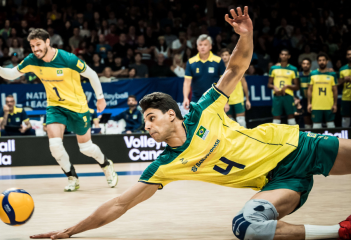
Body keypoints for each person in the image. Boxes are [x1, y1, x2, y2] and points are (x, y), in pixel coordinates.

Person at [31, 8, 351, 240]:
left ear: (172, 114)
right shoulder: (166, 164)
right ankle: (340, 232)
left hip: (298, 147)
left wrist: (246, 35)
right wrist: (71, 230)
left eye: (151, 118)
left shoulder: (203, 110)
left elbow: (235, 69)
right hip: (277, 183)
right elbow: (119, 203)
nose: (147, 126)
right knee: (247, 227)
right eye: (145, 122)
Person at [0, 28, 118, 192]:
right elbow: (13, 74)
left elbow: (92, 74)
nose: (35, 49)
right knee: (55, 145)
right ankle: (72, 177)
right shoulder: (32, 60)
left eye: (38, 45)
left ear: (47, 42)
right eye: (32, 46)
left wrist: (100, 98)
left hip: (77, 107)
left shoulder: (67, 58)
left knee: (86, 148)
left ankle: (106, 165)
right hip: (55, 106)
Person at [183, 34, 226, 109]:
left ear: (210, 46)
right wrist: (185, 98)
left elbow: (224, 82)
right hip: (196, 99)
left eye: (205, 45)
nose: (202, 47)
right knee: (198, 121)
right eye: (200, 44)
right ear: (197, 47)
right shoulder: (191, 62)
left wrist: (225, 100)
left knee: (214, 121)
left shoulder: (218, 61)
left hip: (214, 99)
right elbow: (187, 82)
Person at [267, 49, 299, 125]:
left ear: (289, 56)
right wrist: (274, 87)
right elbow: (268, 84)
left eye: (286, 54)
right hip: (277, 96)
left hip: (288, 96)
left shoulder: (293, 69)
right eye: (282, 54)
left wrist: (287, 86)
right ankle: (276, 136)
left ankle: (293, 135)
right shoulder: (273, 68)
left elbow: (297, 86)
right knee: (276, 118)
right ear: (280, 55)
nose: (284, 56)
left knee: (291, 118)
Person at [221, 48, 250, 127]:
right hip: (226, 101)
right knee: (229, 123)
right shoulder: (219, 70)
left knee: (241, 122)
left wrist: (247, 99)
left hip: (238, 99)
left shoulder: (237, 67)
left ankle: (244, 138)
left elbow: (244, 83)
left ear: (230, 56)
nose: (224, 57)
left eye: (226, 55)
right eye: (222, 55)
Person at [308, 53, 338, 129]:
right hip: (316, 105)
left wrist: (335, 104)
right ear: (317, 62)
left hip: (329, 105)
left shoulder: (332, 74)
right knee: (316, 127)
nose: (322, 62)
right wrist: (309, 103)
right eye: (320, 60)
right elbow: (309, 90)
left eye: (323, 60)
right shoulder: (312, 74)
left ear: (327, 61)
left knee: (331, 126)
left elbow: (335, 91)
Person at [338, 47, 351, 127]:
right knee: (345, 118)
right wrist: (344, 80)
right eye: (348, 54)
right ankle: (345, 137)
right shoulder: (342, 69)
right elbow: (339, 84)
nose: (350, 56)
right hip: (346, 98)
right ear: (346, 56)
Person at [299, 58, 312, 129]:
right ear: (301, 65)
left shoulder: (314, 74)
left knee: (315, 120)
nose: (305, 65)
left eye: (307, 64)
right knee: (306, 119)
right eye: (304, 64)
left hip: (315, 100)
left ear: (310, 65)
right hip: (304, 100)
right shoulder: (298, 75)